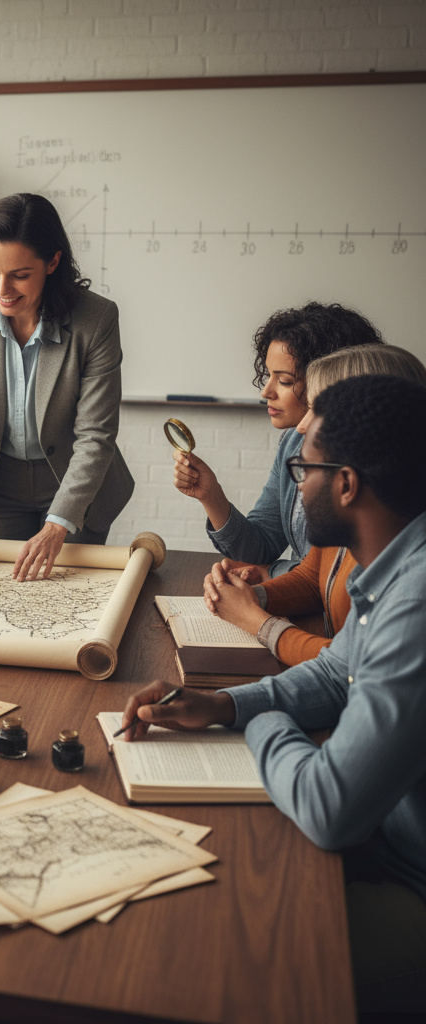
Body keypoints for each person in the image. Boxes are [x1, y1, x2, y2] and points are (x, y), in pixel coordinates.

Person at [123, 374, 426, 1014]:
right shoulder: (397, 562)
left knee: (213, 957)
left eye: (303, 467)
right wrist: (222, 705)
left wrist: (257, 728)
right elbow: (333, 672)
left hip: (409, 881)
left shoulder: (417, 602)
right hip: (386, 841)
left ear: (346, 485)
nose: (296, 483)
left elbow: (329, 806)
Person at [0, 192, 134, 582]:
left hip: (74, 479)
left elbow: (95, 435)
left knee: (65, 597)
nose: (2, 288)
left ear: (52, 262)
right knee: (0, 594)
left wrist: (58, 525)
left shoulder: (97, 319)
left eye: (20, 275)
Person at [202, 345, 426, 666]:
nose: (303, 425)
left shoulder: (401, 561)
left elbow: (348, 668)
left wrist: (256, 620)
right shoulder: (349, 516)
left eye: (318, 409)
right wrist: (255, 596)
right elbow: (313, 577)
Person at [172, 302, 383, 577]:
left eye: (284, 381)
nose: (266, 391)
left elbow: (334, 578)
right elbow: (261, 546)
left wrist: (270, 573)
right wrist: (211, 495)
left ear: (330, 380)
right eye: (268, 375)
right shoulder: (291, 443)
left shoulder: (365, 460)